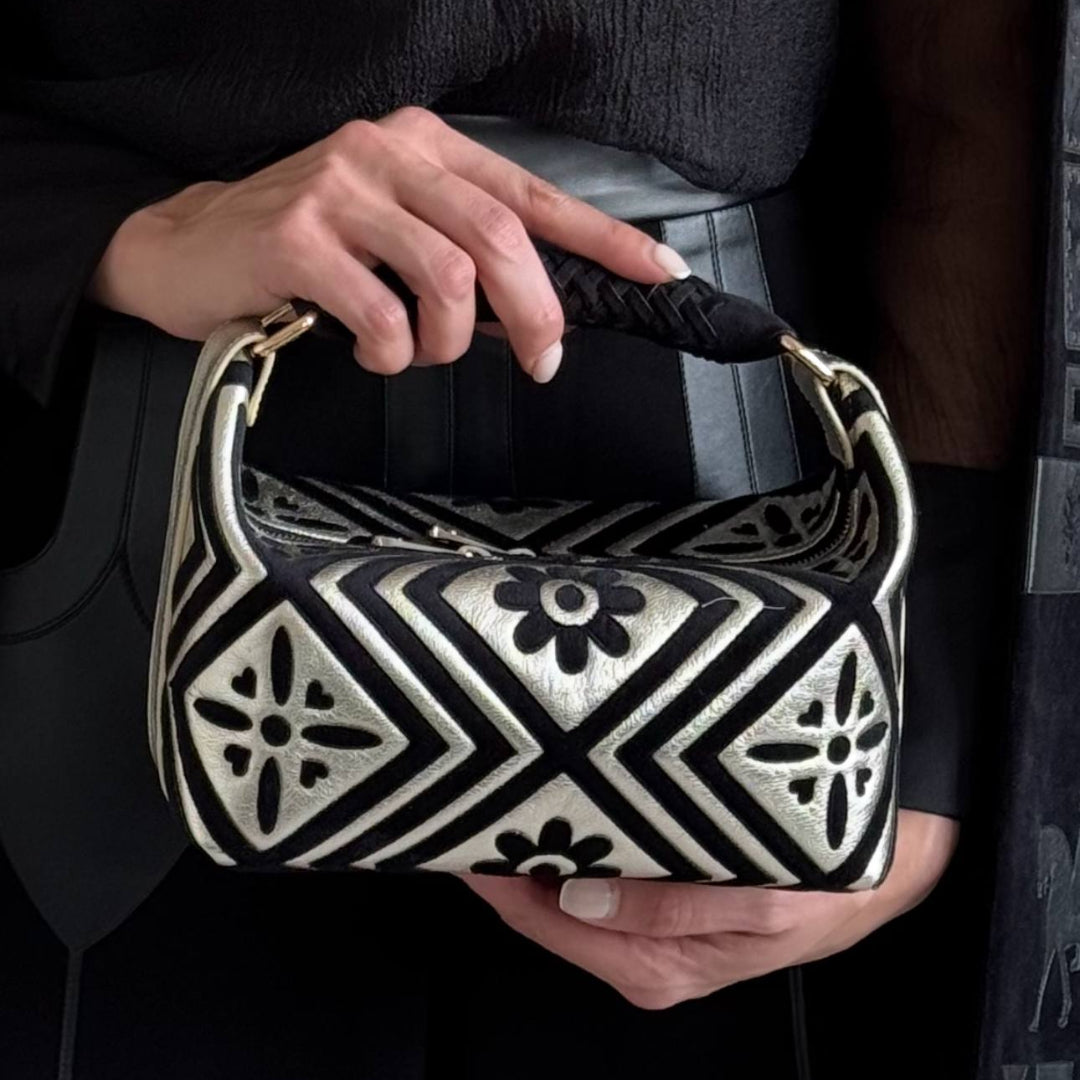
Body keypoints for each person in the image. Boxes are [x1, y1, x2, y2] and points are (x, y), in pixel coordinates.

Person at [0, 1, 1034, 1076]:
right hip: (159, 502)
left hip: (759, 586)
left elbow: (971, 86)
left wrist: (934, 723)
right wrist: (133, 231)